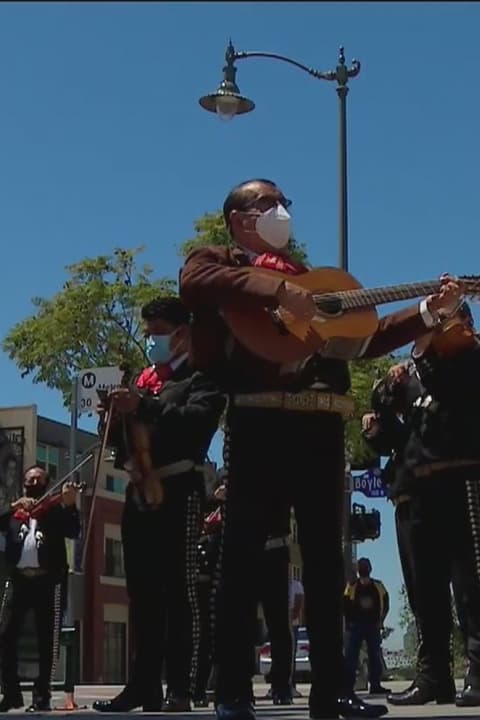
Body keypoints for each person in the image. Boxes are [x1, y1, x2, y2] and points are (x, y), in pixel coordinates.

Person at [178, 177, 461, 720]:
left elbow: (362, 336)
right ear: (239, 218)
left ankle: (332, 692)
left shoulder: (313, 282)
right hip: (259, 422)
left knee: (328, 562)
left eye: (284, 202)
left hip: (321, 430)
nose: (280, 211)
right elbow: (195, 281)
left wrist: (428, 311)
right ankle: (232, 692)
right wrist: (279, 292)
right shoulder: (221, 260)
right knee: (239, 560)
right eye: (266, 203)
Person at [364, 302, 480, 706]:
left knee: (472, 589)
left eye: (442, 322)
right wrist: (382, 422)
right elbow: (405, 435)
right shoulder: (416, 379)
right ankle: (433, 678)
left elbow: (450, 394)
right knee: (424, 595)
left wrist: (421, 360)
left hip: (463, 483)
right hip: (416, 491)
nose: (431, 331)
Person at [87, 296, 224, 713]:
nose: (152, 342)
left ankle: (182, 686)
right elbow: (121, 443)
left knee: (179, 591)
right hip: (139, 493)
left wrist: (142, 406)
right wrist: (111, 418)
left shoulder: (204, 379)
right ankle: (143, 685)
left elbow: (193, 425)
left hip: (178, 490)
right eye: (148, 335)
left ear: (181, 334)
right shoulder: (147, 380)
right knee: (141, 594)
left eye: (157, 334)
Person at [0, 466, 80, 712]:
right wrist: (14, 505)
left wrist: (70, 504)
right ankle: (11, 691)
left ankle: (41, 694)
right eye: (30, 480)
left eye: (39, 479)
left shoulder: (54, 509)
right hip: (19, 579)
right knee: (4, 635)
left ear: (47, 484)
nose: (34, 483)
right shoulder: (16, 512)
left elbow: (73, 530)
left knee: (47, 639)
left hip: (48, 580)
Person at [258, 508, 298, 704]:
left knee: (279, 622)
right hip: (243, 546)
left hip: (275, 546)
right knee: (239, 621)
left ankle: (281, 686)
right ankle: (238, 688)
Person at [192, 481, 227, 708]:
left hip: (222, 584)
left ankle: (219, 686)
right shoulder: (204, 511)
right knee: (201, 638)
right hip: (201, 584)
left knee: (220, 638)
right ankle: (197, 688)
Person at [342, 559, 390, 696]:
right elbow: (345, 605)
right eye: (361, 567)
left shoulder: (378, 586)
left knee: (374, 655)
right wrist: (349, 623)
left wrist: (381, 621)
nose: (363, 569)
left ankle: (375, 685)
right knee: (351, 657)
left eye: (365, 567)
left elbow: (386, 603)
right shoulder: (352, 586)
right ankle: (348, 686)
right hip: (355, 627)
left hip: (372, 626)